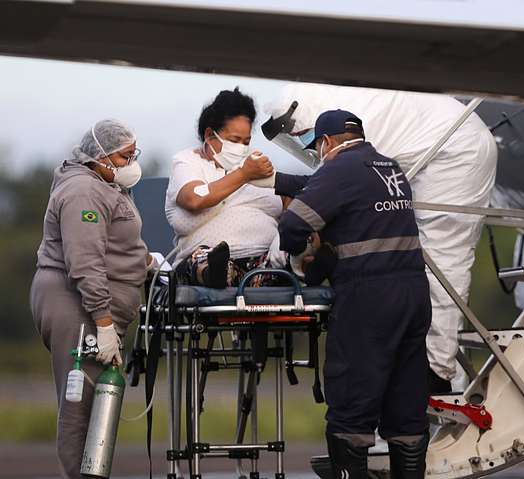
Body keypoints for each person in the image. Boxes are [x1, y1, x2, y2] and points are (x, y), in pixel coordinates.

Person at [262, 84, 497, 392]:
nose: (304, 145)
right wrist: (273, 180)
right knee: (416, 266)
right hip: (431, 153)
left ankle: (438, 372)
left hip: (457, 155)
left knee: (442, 264)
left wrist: (281, 252)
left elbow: (326, 191)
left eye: (301, 137)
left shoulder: (361, 120)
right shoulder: (341, 117)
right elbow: (326, 184)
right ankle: (438, 368)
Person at [278, 110, 432, 479]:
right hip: (413, 292)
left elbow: (292, 225)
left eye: (318, 148)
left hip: (369, 296)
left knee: (352, 400)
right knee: (406, 402)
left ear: (326, 142)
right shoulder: (389, 167)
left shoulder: (340, 168)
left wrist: (306, 257)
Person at [30, 119, 151, 478]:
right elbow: (83, 261)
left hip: (99, 306)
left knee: (98, 401)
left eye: (134, 155)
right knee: (79, 403)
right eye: (125, 156)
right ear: (100, 157)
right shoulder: (84, 190)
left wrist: (145, 262)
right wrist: (103, 321)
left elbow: (113, 243)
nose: (132, 164)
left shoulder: (107, 184)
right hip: (76, 304)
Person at [164, 87, 282, 286]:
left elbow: (287, 199)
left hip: (265, 262)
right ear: (210, 135)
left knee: (293, 248)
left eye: (246, 141)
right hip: (210, 258)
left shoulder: (255, 164)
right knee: (204, 260)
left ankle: (304, 263)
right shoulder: (187, 162)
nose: (242, 148)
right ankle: (215, 272)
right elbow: (195, 199)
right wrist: (244, 174)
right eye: (234, 140)